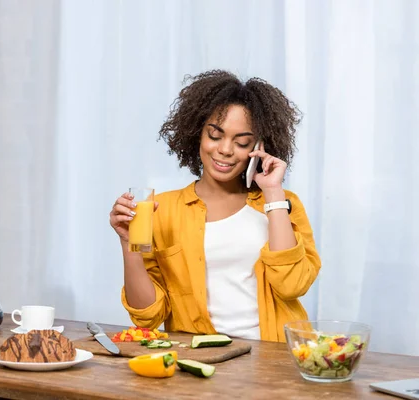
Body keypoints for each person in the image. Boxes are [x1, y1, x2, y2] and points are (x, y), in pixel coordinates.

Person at [109, 70, 321, 342]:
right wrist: (129, 245)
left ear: (258, 147)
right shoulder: (162, 210)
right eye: (215, 135)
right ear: (197, 133)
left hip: (276, 361)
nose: (225, 149)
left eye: (242, 142)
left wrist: (273, 192)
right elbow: (147, 316)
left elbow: (292, 285)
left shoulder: (282, 203)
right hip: (201, 363)